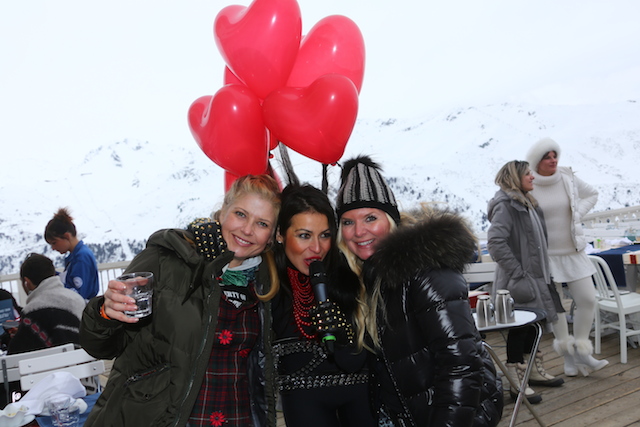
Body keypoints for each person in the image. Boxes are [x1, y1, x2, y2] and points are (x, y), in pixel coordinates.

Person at [79, 174, 281, 427]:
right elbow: (100, 346)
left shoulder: (267, 284)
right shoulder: (167, 259)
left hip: (237, 418)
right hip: (159, 418)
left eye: (262, 223)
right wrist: (105, 313)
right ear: (222, 212)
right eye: (240, 214)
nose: (248, 230)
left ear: (272, 236)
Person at [336, 156, 503, 427]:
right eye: (347, 221)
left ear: (390, 219)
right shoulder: (370, 276)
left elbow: (461, 365)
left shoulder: (425, 271)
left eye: (370, 218)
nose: (359, 231)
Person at [270, 183, 375, 427]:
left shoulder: (350, 277)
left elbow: (356, 363)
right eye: (304, 235)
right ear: (279, 234)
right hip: (303, 406)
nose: (317, 248)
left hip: (361, 400)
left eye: (325, 235)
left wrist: (343, 336)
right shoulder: (268, 285)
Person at [526, 137, 608, 375]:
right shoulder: (528, 182)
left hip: (573, 250)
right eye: (547, 157)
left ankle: (583, 349)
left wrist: (577, 213)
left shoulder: (567, 177)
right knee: (556, 306)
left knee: (587, 299)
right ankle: (569, 358)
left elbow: (591, 194)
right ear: (537, 161)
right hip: (546, 256)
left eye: (555, 156)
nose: (553, 161)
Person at [487, 160, 567, 404]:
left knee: (534, 324)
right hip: (519, 279)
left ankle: (532, 371)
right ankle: (515, 381)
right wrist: (518, 273)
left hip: (535, 276)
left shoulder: (527, 203)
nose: (532, 177)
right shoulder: (506, 205)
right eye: (527, 174)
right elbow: (495, 243)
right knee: (519, 327)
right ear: (514, 177)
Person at [8, 253, 86, 355]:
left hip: (54, 368)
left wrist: (21, 331)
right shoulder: (79, 301)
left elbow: (17, 353)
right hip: (83, 366)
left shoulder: (32, 311)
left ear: (27, 282)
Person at [45, 207, 99, 300]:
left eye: (54, 243)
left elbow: (77, 295)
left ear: (67, 236)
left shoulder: (81, 258)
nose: (53, 248)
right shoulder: (76, 256)